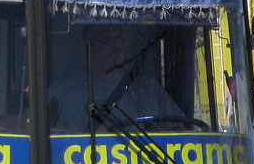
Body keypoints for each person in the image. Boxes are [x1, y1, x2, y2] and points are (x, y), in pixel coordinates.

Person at [50, 23, 182, 131]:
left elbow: (180, 133)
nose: (116, 45)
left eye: (119, 39)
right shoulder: (62, 92)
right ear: (91, 47)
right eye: (106, 40)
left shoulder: (148, 89)